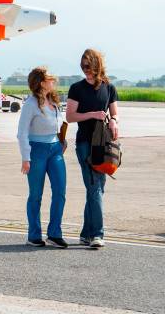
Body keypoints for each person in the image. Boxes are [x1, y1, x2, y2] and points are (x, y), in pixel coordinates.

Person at [66, 49, 119, 249]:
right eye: (83, 66)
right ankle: (97, 234)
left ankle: (85, 233)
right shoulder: (76, 88)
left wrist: (113, 121)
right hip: (85, 143)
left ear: (97, 65)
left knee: (97, 188)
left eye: (88, 65)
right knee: (94, 186)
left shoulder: (109, 87)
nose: (85, 69)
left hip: (102, 143)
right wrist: (92, 114)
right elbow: (70, 116)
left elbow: (115, 113)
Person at [18, 68, 68, 248]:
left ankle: (55, 233)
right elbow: (22, 132)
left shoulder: (54, 101)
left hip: (55, 149)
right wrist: (26, 157)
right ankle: (34, 235)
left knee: (60, 192)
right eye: (50, 79)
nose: (53, 81)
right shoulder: (31, 104)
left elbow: (59, 124)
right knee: (36, 195)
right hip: (36, 150)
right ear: (41, 82)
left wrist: (62, 141)